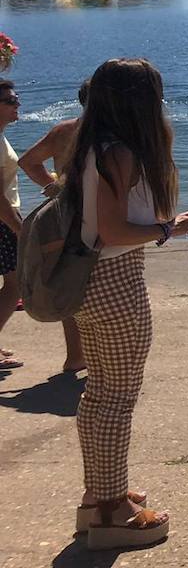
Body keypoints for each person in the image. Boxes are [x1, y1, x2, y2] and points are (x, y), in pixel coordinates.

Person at [64, 58, 188, 548]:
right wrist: (168, 229)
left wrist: (161, 225)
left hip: (92, 279)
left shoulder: (92, 145)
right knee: (117, 398)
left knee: (100, 395)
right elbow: (114, 232)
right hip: (115, 280)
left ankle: (100, 494)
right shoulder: (118, 152)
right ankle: (112, 511)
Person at [13, 79, 89, 372]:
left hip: (65, 212)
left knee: (69, 280)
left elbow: (28, 162)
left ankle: (75, 356)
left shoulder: (65, 130)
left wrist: (56, 186)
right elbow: (27, 162)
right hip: (86, 213)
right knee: (84, 280)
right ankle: (83, 356)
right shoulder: (108, 132)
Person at [0, 80, 26, 371]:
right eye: (10, 100)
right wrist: (19, 228)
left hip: (4, 219)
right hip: (3, 221)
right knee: (14, 285)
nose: (17, 104)